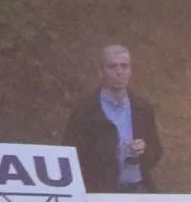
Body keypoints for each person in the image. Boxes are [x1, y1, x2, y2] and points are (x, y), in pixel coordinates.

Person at [63, 45, 163, 193]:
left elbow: (156, 152)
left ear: (130, 71)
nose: (119, 72)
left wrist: (145, 149)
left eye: (124, 66)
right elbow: (71, 156)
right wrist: (108, 152)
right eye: (112, 67)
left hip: (139, 190)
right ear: (100, 71)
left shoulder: (142, 108)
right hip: (101, 192)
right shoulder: (85, 111)